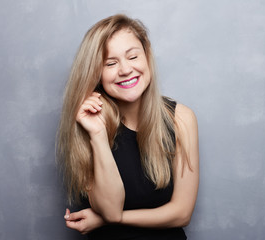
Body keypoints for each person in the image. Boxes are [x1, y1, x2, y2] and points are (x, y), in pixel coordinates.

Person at [57, 14, 199, 239]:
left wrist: (103, 219)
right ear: (96, 73)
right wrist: (97, 135)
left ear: (147, 56)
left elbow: (181, 213)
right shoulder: (87, 121)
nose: (125, 70)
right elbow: (111, 210)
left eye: (132, 56)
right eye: (110, 63)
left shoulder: (181, 118)